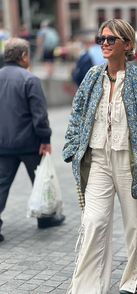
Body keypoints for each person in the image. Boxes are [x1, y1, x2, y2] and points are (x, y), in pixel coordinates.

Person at [63, 19, 137, 294]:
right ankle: (88, 285)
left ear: (128, 44)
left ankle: (132, 280)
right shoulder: (92, 77)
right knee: (93, 221)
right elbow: (76, 115)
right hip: (98, 158)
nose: (105, 44)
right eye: (102, 39)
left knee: (135, 226)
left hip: (130, 163)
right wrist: (72, 147)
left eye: (112, 39)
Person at [0, 38, 65, 242]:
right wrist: (45, 139)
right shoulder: (30, 80)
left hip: (2, 144)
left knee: (1, 185)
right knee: (41, 179)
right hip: (30, 144)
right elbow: (39, 116)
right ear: (24, 56)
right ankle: (45, 217)